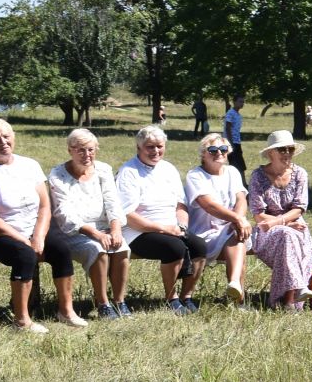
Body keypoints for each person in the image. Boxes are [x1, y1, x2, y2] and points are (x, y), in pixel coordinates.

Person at [0, 118, 76, 332]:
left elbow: (45, 206)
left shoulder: (30, 165)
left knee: (62, 249)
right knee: (24, 254)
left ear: (13, 138)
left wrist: (39, 236)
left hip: (31, 231)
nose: (2, 142)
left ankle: (66, 311)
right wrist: (25, 241)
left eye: (6, 137)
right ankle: (22, 320)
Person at [116, 125, 209, 313]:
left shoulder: (168, 169)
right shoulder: (129, 172)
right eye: (150, 147)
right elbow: (128, 216)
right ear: (139, 148)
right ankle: (171, 298)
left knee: (199, 246)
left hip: (171, 228)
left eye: (159, 146)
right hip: (138, 231)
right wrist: (166, 230)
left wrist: (181, 226)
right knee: (174, 247)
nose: (156, 151)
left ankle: (187, 296)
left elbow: (180, 205)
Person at [48, 127, 129, 319]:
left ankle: (120, 301)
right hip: (73, 232)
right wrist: (96, 234)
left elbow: (112, 202)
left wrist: (116, 230)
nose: (87, 154)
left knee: (121, 247)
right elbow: (64, 213)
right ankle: (102, 303)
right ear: (70, 150)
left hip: (104, 227)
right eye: (80, 150)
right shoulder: (58, 175)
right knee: (98, 248)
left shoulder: (103, 169)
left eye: (91, 150)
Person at [247, 129, 312, 309]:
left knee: (291, 236)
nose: (287, 153)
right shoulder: (258, 176)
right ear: (271, 153)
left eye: (290, 149)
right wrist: (285, 223)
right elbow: (258, 215)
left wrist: (284, 222)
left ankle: (288, 300)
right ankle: (295, 292)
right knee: (287, 235)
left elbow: (299, 208)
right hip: (266, 231)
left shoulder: (300, 174)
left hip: (295, 226)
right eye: (282, 149)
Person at [187, 132, 251, 302]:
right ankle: (238, 295)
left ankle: (235, 287)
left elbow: (241, 199)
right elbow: (209, 205)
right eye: (213, 150)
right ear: (203, 154)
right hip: (204, 232)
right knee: (238, 235)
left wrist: (238, 220)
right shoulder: (195, 175)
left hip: (230, 227)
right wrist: (237, 220)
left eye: (223, 149)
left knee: (238, 235)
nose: (219, 153)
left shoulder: (232, 172)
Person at [219, 95, 247, 175]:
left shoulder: (238, 115)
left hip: (237, 142)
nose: (242, 103)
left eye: (243, 102)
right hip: (231, 142)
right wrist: (230, 143)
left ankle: (244, 183)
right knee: (235, 164)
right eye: (240, 101)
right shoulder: (230, 113)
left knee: (240, 164)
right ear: (234, 102)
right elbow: (228, 128)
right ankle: (239, 183)